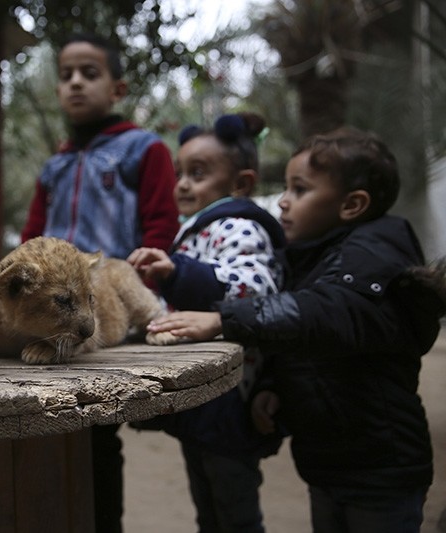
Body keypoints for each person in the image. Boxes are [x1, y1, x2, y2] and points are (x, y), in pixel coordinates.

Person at [148, 127, 446, 533]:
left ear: (352, 204)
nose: (284, 201)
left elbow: (321, 313)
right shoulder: (310, 256)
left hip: (381, 466)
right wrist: (272, 386)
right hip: (326, 463)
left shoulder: (373, 254)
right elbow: (298, 342)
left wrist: (225, 318)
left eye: (300, 190)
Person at [19, 32, 179, 533]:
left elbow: (160, 226)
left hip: (103, 304)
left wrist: (148, 283)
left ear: (117, 87)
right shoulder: (56, 163)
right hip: (49, 309)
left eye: (89, 73)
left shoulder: (143, 149)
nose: (75, 84)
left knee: (94, 428)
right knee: (38, 422)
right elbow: (30, 237)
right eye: (66, 75)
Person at [128, 112, 285, 533]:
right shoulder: (197, 229)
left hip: (231, 396)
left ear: (241, 184)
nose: (182, 183)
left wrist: (177, 273)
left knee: (235, 510)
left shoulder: (239, 225)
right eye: (181, 172)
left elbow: (255, 288)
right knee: (208, 505)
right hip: (204, 397)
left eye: (197, 173)